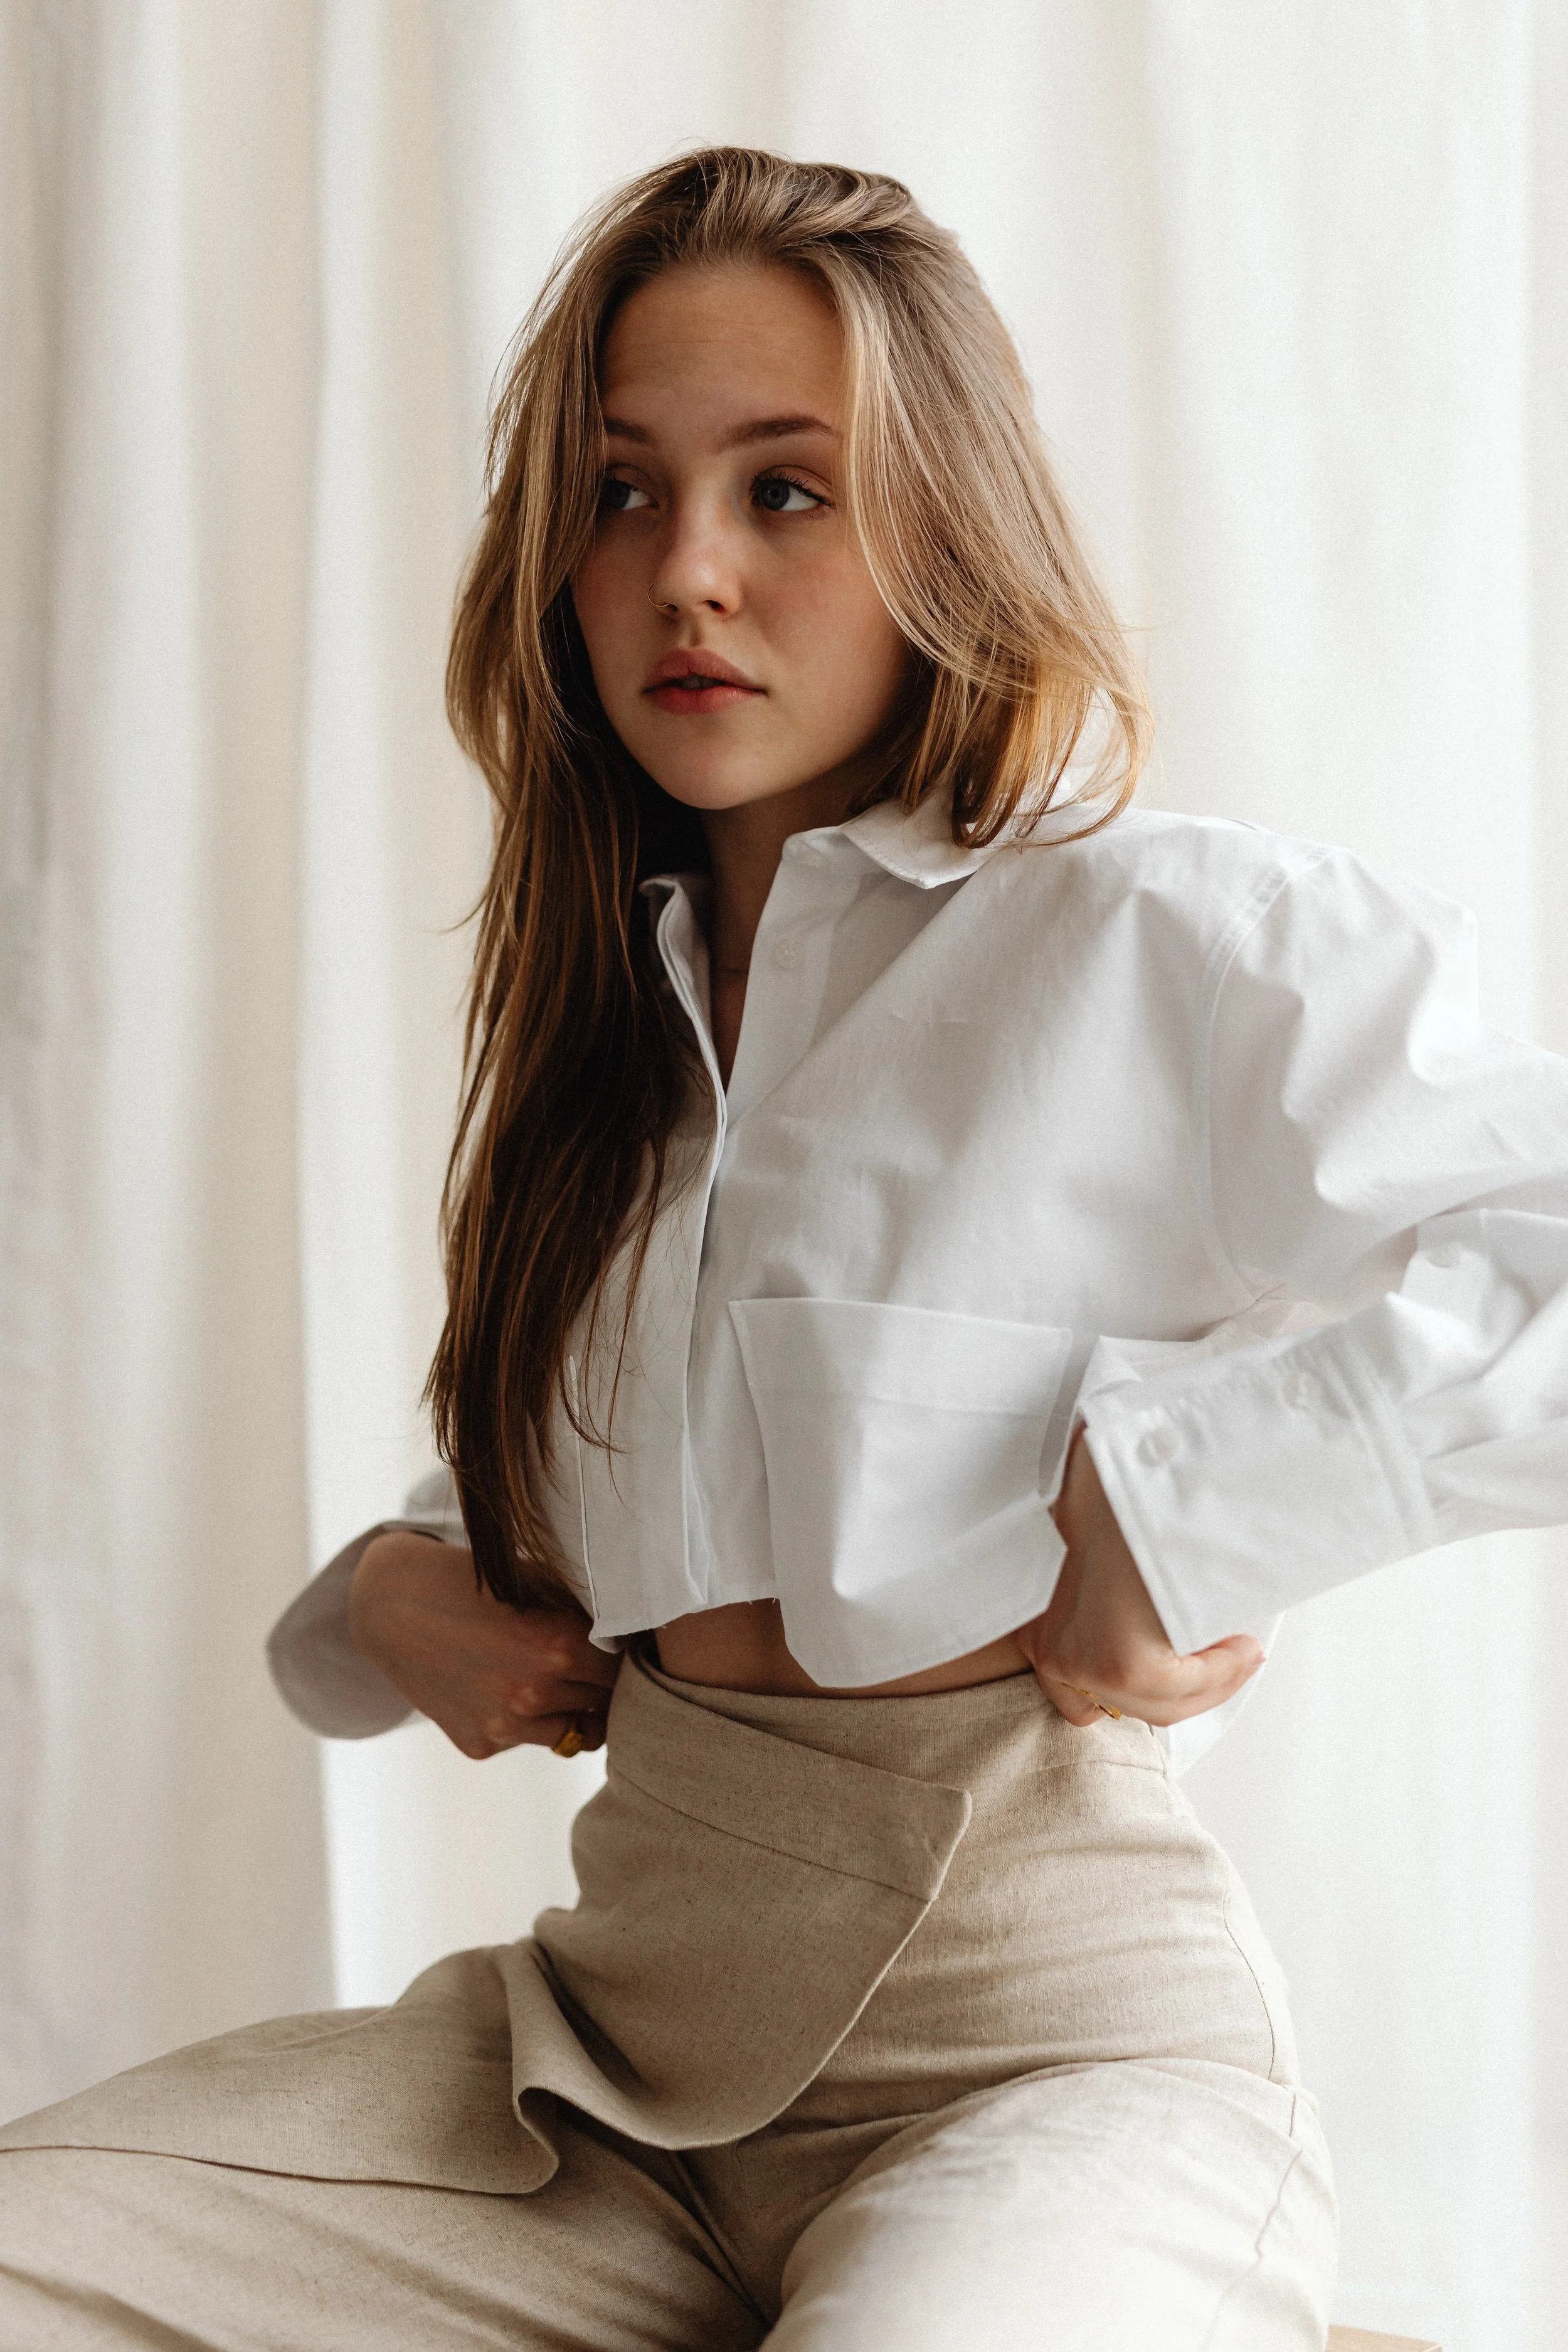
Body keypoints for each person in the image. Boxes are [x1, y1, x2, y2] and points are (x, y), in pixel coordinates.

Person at [3, 146, 1565, 2352]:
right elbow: (571, 1490)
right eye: (621, 492)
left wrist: (1190, 1508)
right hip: (592, 2082)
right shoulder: (605, 1045)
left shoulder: (1166, 937)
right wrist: (384, 1600)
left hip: (1046, 2071)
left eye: (787, 490)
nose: (688, 574)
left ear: (945, 527)